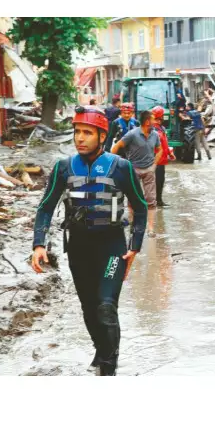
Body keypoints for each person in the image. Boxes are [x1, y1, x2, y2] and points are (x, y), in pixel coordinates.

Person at [30, 105, 148, 376]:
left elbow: (140, 208)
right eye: (77, 132)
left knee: (106, 305)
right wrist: (39, 244)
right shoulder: (63, 168)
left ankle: (109, 368)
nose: (80, 138)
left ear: (102, 136)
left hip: (112, 248)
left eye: (87, 133)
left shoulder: (121, 167)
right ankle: (101, 349)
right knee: (89, 307)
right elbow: (46, 207)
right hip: (79, 248)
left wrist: (134, 248)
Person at [111, 110, 162, 237]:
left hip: (149, 170)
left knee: (151, 200)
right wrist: (117, 163)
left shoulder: (155, 135)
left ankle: (150, 228)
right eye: (154, 119)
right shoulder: (132, 134)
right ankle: (133, 224)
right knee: (133, 198)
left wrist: (154, 165)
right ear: (147, 122)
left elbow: (160, 150)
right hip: (133, 170)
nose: (156, 122)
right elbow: (115, 147)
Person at [151, 106, 176, 207]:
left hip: (161, 159)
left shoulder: (161, 128)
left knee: (160, 180)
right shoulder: (152, 129)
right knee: (154, 181)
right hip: (155, 159)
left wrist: (170, 153)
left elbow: (165, 143)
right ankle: (154, 201)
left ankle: (159, 200)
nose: (158, 121)